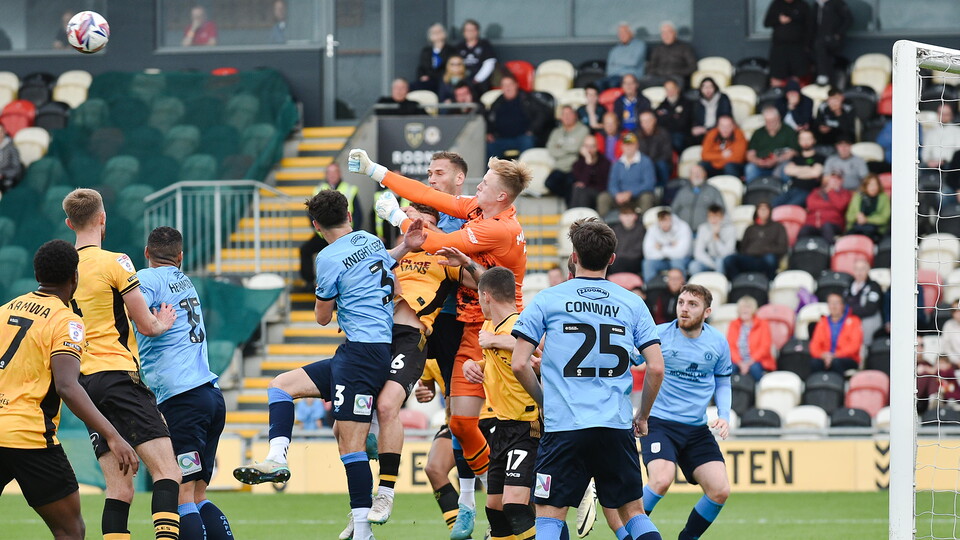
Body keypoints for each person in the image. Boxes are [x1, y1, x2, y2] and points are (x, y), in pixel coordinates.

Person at [350, 148, 530, 539]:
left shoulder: (495, 228)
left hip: (501, 329)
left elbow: (440, 241)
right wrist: (375, 170)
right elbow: (431, 199)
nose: (479, 186)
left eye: (484, 184)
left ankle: (562, 477)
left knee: (515, 421)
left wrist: (399, 218)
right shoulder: (482, 211)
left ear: (500, 196)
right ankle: (477, 501)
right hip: (469, 327)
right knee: (462, 423)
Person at [233, 190, 423, 540]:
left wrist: (340, 298)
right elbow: (382, 264)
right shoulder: (369, 239)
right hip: (358, 352)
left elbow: (322, 317)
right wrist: (405, 248)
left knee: (350, 446)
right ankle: (278, 458)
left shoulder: (327, 258)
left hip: (362, 357)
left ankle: (364, 531)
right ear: (349, 215)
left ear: (316, 225)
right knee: (281, 385)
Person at [511, 217, 666, 540]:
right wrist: (644, 416)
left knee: (549, 517)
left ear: (573, 257)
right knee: (634, 514)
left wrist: (545, 401)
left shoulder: (547, 299)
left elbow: (520, 364)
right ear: (612, 259)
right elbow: (655, 367)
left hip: (564, 427)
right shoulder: (632, 303)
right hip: (614, 426)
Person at [342, 203, 480, 531]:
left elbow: (483, 286)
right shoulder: (391, 257)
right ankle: (359, 514)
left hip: (409, 336)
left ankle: (386, 492)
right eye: (413, 222)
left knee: (388, 406)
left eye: (427, 224)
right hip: (372, 336)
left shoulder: (443, 258)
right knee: (342, 425)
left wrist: (468, 262)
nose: (419, 229)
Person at [61, 188, 181, 540]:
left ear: (70, 223)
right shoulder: (117, 261)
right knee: (168, 472)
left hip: (84, 388)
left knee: (120, 489)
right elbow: (146, 324)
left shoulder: (64, 269)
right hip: (117, 375)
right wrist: (164, 323)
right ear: (102, 219)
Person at [0, 239, 139, 540]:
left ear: (37, 273)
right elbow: (66, 385)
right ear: (74, 277)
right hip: (29, 437)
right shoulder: (66, 321)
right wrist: (114, 436)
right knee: (71, 531)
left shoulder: (4, 311)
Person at [134, 226, 234, 540]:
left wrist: (153, 323)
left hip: (182, 399)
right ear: (180, 257)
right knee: (198, 495)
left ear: (147, 253)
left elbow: (138, 312)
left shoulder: (148, 278)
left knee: (181, 494)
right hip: (210, 396)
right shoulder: (183, 280)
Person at [640, 285, 732, 540]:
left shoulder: (717, 342)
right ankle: (629, 533)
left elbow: (723, 381)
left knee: (720, 489)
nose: (684, 308)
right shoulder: (659, 335)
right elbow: (628, 360)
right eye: (681, 302)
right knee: (661, 480)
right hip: (659, 423)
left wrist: (724, 414)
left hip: (696, 428)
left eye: (692, 304)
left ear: (707, 311)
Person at [462, 267, 539, 540]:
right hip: (502, 427)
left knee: (516, 505)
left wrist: (496, 341)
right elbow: (499, 364)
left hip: (527, 426)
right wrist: (474, 365)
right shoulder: (487, 327)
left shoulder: (522, 323)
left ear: (485, 296)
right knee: (495, 509)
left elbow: (536, 350)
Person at [299, 163, 362, 287]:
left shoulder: (350, 189)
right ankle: (309, 282)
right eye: (330, 173)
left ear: (340, 173)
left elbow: (359, 214)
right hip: (324, 234)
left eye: (335, 172)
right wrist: (321, 231)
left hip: (345, 235)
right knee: (306, 250)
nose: (332, 175)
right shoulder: (318, 189)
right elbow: (310, 213)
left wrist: (352, 233)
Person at [486, 75, 548, 159]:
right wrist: (489, 132)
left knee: (528, 142)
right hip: (501, 139)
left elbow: (542, 114)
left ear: (516, 85)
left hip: (522, 137)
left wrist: (532, 131)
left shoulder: (526, 98)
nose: (507, 88)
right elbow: (489, 118)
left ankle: (524, 172)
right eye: (504, 85)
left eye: (510, 85)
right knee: (489, 147)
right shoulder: (498, 102)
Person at [722, 201, 788, 279]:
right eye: (760, 209)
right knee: (729, 260)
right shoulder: (750, 228)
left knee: (770, 259)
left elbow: (782, 248)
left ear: (770, 211)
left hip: (766, 258)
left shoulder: (778, 227)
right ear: (756, 211)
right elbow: (743, 248)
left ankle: (770, 282)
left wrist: (764, 250)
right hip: (749, 259)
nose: (763, 211)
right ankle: (737, 282)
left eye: (765, 209)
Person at [545, 105, 591, 203]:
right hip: (560, 168)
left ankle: (570, 207)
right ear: (560, 117)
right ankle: (568, 199)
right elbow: (551, 150)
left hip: (574, 168)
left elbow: (577, 148)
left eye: (569, 114)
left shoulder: (583, 129)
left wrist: (560, 147)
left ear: (575, 115)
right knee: (549, 183)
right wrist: (570, 150)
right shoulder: (556, 132)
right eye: (564, 114)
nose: (566, 117)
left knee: (570, 185)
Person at [809, 292, 863, 375]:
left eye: (836, 303)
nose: (833, 306)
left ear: (843, 305)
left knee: (836, 363)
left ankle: (838, 386)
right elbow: (814, 345)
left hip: (847, 358)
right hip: (826, 357)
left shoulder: (854, 321)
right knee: (814, 363)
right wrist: (823, 355)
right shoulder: (822, 322)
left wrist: (835, 355)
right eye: (831, 303)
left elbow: (854, 346)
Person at [726, 295, 775, 381]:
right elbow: (730, 347)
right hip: (739, 361)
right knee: (729, 369)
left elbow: (765, 347)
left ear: (753, 310)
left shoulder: (763, 324)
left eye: (748, 307)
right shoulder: (733, 324)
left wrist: (748, 363)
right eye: (742, 308)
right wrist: (740, 363)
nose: (744, 310)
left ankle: (760, 389)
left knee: (754, 368)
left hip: (757, 361)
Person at [607, 132, 657, 215]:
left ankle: (643, 224)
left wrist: (631, 193)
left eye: (631, 144)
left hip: (638, 197)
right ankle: (604, 226)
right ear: (622, 146)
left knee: (647, 197)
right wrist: (617, 194)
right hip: (621, 198)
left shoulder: (646, 161)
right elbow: (612, 184)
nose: (628, 147)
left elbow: (649, 184)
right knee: (604, 198)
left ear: (637, 145)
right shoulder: (617, 163)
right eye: (626, 144)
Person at [745, 106, 799, 182]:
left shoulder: (788, 131)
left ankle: (784, 191)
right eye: (767, 121)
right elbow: (750, 154)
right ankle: (752, 191)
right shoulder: (758, 133)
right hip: (760, 165)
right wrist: (758, 161)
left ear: (778, 118)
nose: (770, 124)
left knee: (787, 167)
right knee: (750, 168)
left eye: (772, 121)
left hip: (780, 164)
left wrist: (777, 159)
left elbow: (794, 152)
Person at [764, 0, 811, 86]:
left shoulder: (802, 5)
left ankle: (796, 97)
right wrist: (779, 20)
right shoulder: (776, 4)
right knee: (776, 77)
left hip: (797, 48)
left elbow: (810, 26)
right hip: (779, 47)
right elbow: (766, 22)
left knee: (798, 78)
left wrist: (807, 45)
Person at [775, 128, 825, 207]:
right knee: (774, 204)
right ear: (798, 141)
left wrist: (797, 172)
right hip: (792, 189)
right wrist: (809, 170)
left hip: (809, 191)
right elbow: (788, 171)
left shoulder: (820, 158)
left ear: (814, 140)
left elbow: (815, 173)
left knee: (789, 207)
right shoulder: (796, 158)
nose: (805, 141)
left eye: (808, 139)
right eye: (802, 139)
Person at [798, 171, 851, 243]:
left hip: (833, 224)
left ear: (842, 181)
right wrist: (831, 205)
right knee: (804, 230)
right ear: (829, 179)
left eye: (838, 178)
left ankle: (831, 250)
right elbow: (811, 205)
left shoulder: (845, 193)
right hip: (813, 223)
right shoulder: (817, 191)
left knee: (827, 227)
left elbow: (840, 205)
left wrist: (831, 192)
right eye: (833, 178)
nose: (835, 180)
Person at [642, 208, 693, 283]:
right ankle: (651, 289)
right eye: (661, 221)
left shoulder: (683, 227)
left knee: (676, 262)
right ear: (658, 220)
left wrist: (661, 247)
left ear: (671, 218)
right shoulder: (653, 228)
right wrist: (671, 247)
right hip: (662, 260)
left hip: (683, 259)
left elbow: (681, 253)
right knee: (648, 263)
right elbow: (648, 253)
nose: (664, 223)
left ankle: (680, 289)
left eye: (667, 220)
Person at [810, 0, 853, 86]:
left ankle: (823, 75)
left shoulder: (837, 3)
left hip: (833, 39)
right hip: (819, 39)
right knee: (825, 59)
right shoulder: (816, 6)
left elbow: (849, 19)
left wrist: (838, 34)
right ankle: (829, 82)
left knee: (820, 47)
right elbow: (812, 24)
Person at [671, 165, 726, 232]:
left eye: (699, 172)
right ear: (689, 176)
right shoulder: (682, 191)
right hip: (683, 233)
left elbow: (721, 211)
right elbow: (674, 211)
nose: (696, 175)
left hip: (706, 232)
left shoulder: (713, 191)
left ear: (705, 174)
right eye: (693, 173)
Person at [844, 258, 884, 349]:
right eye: (857, 269)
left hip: (868, 325)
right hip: (851, 325)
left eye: (862, 269)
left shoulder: (874, 286)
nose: (859, 272)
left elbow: (870, 308)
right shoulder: (849, 285)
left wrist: (850, 310)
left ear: (868, 270)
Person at [597, 22, 647, 91]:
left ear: (631, 33)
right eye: (620, 33)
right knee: (597, 84)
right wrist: (625, 63)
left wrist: (616, 63)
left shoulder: (639, 45)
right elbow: (609, 69)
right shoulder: (615, 49)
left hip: (631, 77)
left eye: (624, 32)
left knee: (613, 84)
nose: (622, 35)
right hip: (613, 77)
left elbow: (633, 62)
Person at [688, 204, 736, 275]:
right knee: (693, 266)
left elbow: (727, 254)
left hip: (723, 259)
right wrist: (712, 264)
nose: (713, 220)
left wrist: (716, 237)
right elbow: (698, 252)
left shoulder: (731, 229)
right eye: (711, 217)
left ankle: (720, 284)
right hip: (709, 259)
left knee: (720, 262)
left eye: (716, 216)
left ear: (722, 217)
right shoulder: (703, 228)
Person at [646, 21, 697, 87]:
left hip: (676, 78)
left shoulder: (684, 47)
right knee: (639, 84)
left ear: (675, 33)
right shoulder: (657, 49)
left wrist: (676, 72)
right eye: (663, 33)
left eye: (668, 32)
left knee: (675, 84)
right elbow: (650, 67)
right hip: (659, 77)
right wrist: (661, 72)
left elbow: (693, 67)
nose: (666, 35)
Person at [569, 136, 613, 214]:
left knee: (582, 191)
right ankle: (577, 217)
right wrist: (588, 162)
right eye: (586, 146)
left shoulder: (605, 163)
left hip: (600, 193)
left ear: (597, 147)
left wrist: (588, 162)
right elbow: (583, 181)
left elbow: (603, 186)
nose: (589, 150)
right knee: (578, 189)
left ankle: (577, 218)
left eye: (592, 146)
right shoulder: (578, 164)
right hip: (583, 193)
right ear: (583, 148)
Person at [845, 174, 890, 240]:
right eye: (871, 185)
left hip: (875, 230)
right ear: (865, 186)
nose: (874, 187)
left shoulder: (884, 197)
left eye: (875, 184)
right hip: (856, 228)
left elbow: (884, 218)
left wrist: (867, 220)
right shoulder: (858, 196)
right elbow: (849, 216)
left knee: (867, 233)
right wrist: (857, 217)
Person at [456, 19, 497, 92]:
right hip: (462, 79)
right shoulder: (459, 47)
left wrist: (477, 79)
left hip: (479, 81)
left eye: (472, 30)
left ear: (477, 31)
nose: (469, 32)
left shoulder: (485, 45)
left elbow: (489, 64)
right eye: (467, 30)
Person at [414, 23, 457, 92]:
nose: (437, 34)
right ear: (430, 36)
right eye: (434, 32)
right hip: (428, 80)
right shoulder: (426, 51)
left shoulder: (451, 50)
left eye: (439, 31)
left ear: (444, 33)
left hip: (444, 81)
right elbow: (421, 67)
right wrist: (422, 76)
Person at [636, 110, 673, 187]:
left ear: (654, 120)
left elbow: (667, 153)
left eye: (648, 121)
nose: (646, 124)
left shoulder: (663, 133)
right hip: (642, 162)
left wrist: (651, 162)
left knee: (662, 165)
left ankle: (664, 189)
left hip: (659, 161)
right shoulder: (636, 135)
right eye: (643, 121)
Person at [691, 77, 732, 144]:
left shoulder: (723, 99)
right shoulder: (697, 102)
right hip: (702, 132)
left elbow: (725, 117)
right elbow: (695, 119)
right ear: (700, 89)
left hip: (719, 130)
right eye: (705, 87)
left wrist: (706, 130)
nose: (708, 90)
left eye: (710, 87)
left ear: (715, 88)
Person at [657, 78, 694, 152]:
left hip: (681, 135)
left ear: (678, 89)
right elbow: (658, 122)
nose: (670, 92)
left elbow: (682, 124)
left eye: (672, 88)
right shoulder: (662, 105)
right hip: (665, 134)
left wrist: (667, 116)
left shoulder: (687, 103)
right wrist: (674, 116)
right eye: (667, 89)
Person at [608, 203, 646, 275]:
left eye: (630, 215)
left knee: (618, 262)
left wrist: (622, 256)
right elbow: (612, 247)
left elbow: (640, 250)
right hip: (617, 260)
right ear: (620, 217)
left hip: (635, 261)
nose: (627, 218)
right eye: (625, 215)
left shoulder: (641, 229)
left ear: (635, 216)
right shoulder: (615, 229)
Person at [922, 104, 960, 169]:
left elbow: (958, 152)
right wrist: (930, 162)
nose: (943, 116)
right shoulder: (930, 133)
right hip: (933, 169)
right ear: (937, 114)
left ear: (951, 115)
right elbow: (925, 155)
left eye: (946, 114)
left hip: (952, 168)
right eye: (941, 113)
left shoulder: (957, 131)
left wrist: (944, 161)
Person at [0, 123, 22, 193]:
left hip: (5, 180)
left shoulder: (12, 149)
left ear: (4, 132)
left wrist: (3, 174)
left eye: (0, 132)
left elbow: (16, 169)